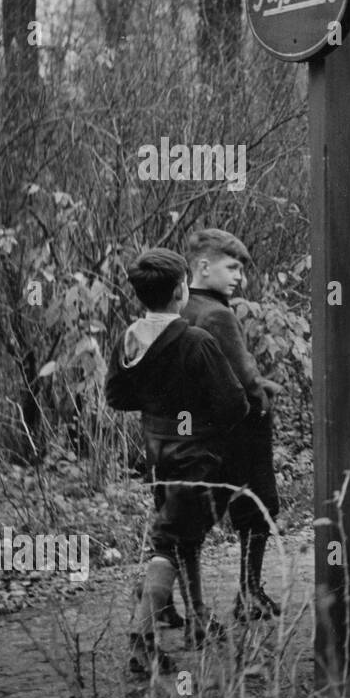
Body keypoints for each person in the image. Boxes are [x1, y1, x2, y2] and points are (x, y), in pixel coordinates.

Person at [106, 249, 248, 675]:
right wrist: (197, 421)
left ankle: (198, 620)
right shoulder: (195, 341)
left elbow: (116, 397)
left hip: (157, 450)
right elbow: (234, 404)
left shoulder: (129, 338)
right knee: (170, 541)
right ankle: (142, 640)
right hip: (197, 456)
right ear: (180, 290)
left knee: (183, 536)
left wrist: (161, 410)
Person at [180, 229, 284, 620]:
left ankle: (171, 603)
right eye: (232, 267)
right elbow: (243, 376)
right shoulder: (219, 314)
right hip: (241, 430)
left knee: (190, 519)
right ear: (204, 266)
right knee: (260, 506)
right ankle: (249, 592)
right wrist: (263, 394)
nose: (239, 276)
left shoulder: (182, 306)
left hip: (194, 430)